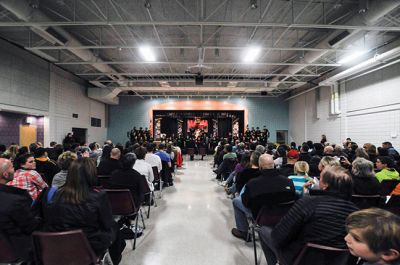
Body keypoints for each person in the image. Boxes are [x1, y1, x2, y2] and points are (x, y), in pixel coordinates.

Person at [259, 166, 358, 265]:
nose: (318, 181)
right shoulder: (356, 212)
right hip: (340, 262)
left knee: (264, 230)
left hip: (299, 260)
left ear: (325, 185)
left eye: (320, 178)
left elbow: (277, 238)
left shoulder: (307, 203)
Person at [41, 158, 125, 264]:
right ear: (92, 173)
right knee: (115, 227)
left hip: (56, 245)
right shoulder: (99, 196)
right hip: (88, 247)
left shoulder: (52, 194)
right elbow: (106, 224)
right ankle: (115, 259)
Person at [231, 154, 295, 241]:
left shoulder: (253, 184)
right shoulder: (288, 181)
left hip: (263, 218)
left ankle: (243, 231)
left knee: (235, 201)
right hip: (286, 217)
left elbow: (246, 203)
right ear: (274, 165)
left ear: (260, 166)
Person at [0, 158, 40, 261]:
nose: (15, 169)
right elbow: (31, 226)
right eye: (12, 167)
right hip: (16, 253)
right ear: (5, 174)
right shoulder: (16, 200)